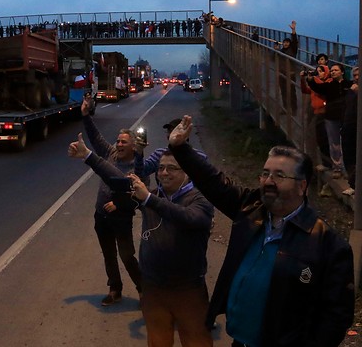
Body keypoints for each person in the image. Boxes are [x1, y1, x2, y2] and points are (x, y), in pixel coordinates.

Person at [167, 115, 354, 347]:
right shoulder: (251, 209)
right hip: (240, 341)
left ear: (302, 186)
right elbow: (214, 183)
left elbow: (336, 317)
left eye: (279, 175)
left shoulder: (328, 246)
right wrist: (180, 148)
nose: (268, 181)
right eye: (265, 173)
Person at [68, 134, 214, 347]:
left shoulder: (199, 201)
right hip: (153, 289)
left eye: (172, 168)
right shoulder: (153, 196)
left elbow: (189, 218)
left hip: (188, 291)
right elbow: (117, 178)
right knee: (157, 342)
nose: (164, 173)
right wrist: (88, 155)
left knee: (196, 342)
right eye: (161, 168)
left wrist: (148, 199)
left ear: (188, 173)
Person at [77, 94, 142, 306]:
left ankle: (145, 290)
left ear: (134, 146)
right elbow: (95, 138)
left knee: (127, 256)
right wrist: (86, 115)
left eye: (124, 142)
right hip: (101, 216)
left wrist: (119, 204)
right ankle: (115, 289)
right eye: (118, 140)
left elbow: (140, 198)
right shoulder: (111, 154)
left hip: (121, 219)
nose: (119, 144)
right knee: (109, 255)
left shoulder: (140, 167)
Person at [304, 64, 353, 179]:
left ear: (342, 72)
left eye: (336, 70)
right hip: (331, 117)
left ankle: (349, 169)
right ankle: (337, 168)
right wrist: (310, 79)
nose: (333, 72)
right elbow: (317, 87)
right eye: (331, 70)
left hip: (346, 117)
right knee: (334, 143)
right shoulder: (329, 85)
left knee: (347, 142)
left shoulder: (349, 84)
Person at [300, 56, 331, 171]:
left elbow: (320, 89)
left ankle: (328, 163)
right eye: (318, 72)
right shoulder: (316, 83)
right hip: (316, 113)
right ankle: (318, 162)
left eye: (321, 72)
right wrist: (303, 79)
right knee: (317, 138)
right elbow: (305, 90)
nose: (319, 74)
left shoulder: (328, 82)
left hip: (324, 114)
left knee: (324, 139)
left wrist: (312, 79)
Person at [274, 20, 299, 114]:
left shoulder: (293, 50)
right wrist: (275, 51)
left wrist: (293, 31)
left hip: (290, 74)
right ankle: (285, 109)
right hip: (282, 74)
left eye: (288, 42)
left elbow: (295, 42)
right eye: (284, 42)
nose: (286, 44)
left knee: (292, 92)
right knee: (283, 92)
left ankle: (294, 109)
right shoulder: (280, 51)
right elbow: (273, 59)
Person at [342, 67, 359, 196]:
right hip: (348, 127)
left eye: (359, 74)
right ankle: (353, 184)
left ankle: (355, 184)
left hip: (357, 128)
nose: (357, 77)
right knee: (349, 157)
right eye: (355, 75)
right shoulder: (351, 90)